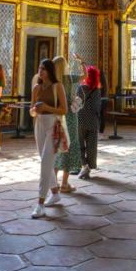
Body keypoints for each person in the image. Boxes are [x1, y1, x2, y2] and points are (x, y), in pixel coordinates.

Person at [30, 58, 66, 218]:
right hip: (39, 125)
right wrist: (33, 111)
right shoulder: (36, 88)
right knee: (45, 161)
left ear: (50, 71)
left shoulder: (58, 87)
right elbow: (32, 109)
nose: (40, 71)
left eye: (43, 68)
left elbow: (64, 110)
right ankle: (55, 193)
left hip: (53, 126)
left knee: (45, 162)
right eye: (39, 68)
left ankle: (40, 204)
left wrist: (46, 107)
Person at [53, 56, 82, 194]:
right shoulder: (70, 78)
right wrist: (81, 61)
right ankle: (64, 183)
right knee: (69, 147)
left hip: (57, 116)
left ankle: (53, 183)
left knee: (57, 147)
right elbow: (86, 75)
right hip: (70, 116)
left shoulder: (53, 82)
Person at [76, 66, 101, 179]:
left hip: (80, 120)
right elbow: (97, 107)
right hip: (92, 121)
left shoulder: (80, 88)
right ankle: (89, 167)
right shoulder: (97, 90)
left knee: (79, 145)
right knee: (92, 145)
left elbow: (76, 103)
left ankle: (84, 165)